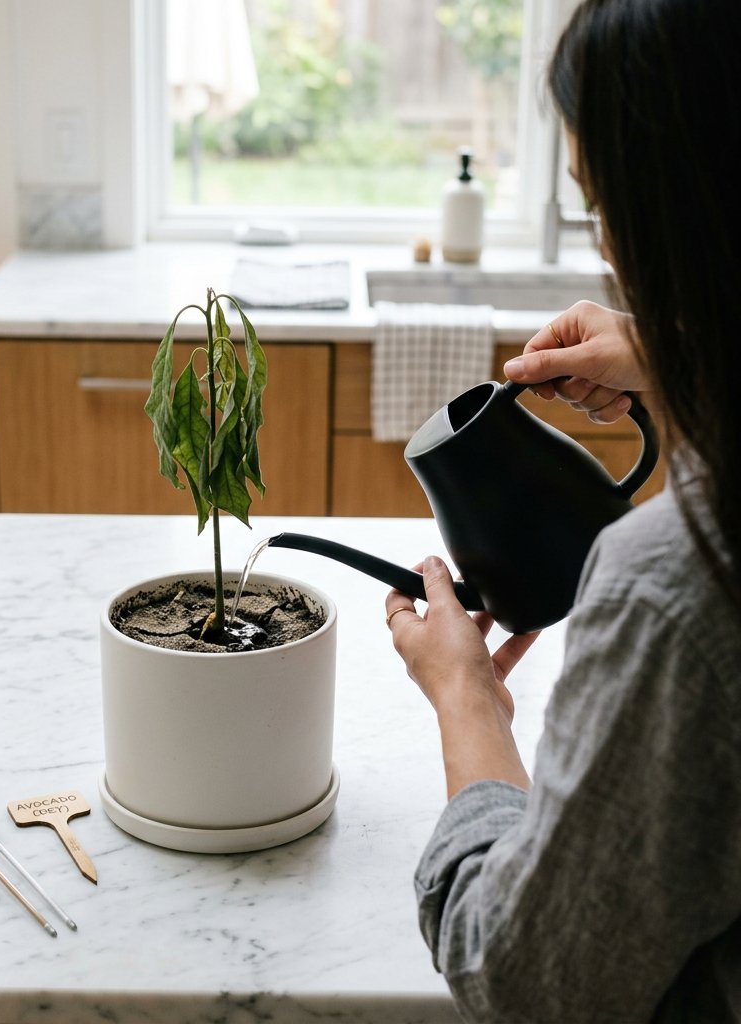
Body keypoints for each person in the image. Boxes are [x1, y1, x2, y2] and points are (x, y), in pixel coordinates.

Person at [385, 0, 741, 1020]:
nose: (605, 248)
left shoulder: (681, 588)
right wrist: (674, 349)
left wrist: (468, 705)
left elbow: (529, 978)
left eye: (601, 207)